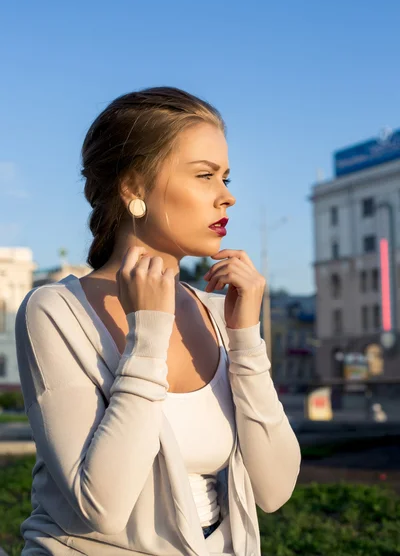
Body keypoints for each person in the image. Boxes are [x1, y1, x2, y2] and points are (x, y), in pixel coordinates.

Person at [15, 87, 301, 555]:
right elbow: (101, 507)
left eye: (226, 177)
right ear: (132, 187)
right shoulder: (54, 312)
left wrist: (247, 341)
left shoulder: (216, 313)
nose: (226, 197)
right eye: (205, 176)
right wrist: (147, 337)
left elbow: (275, 490)